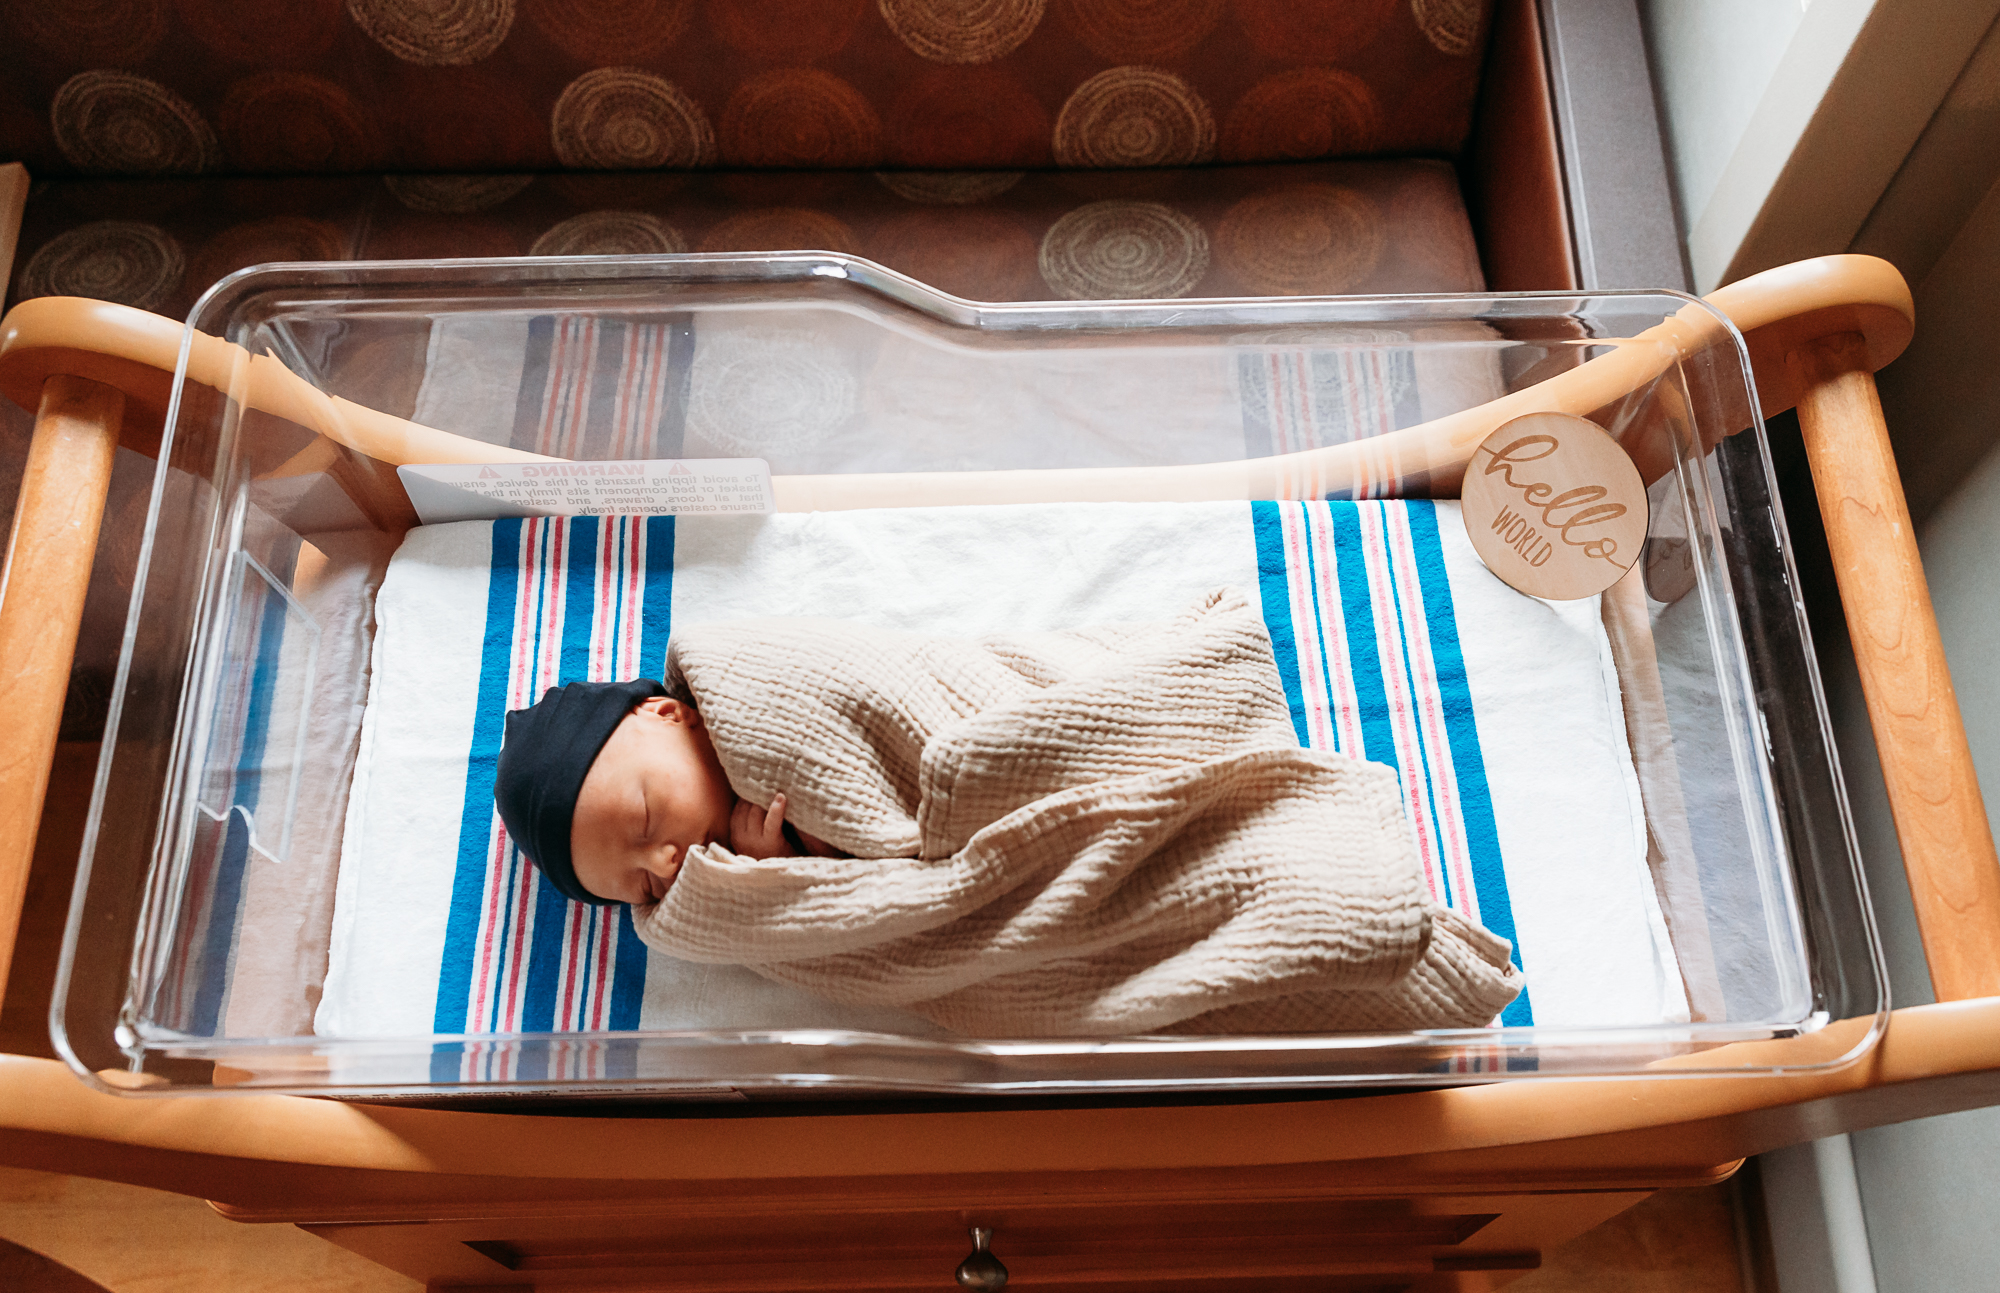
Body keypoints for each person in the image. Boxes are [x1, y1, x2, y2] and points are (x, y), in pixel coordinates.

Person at [492, 678, 837, 908]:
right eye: (647, 887)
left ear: (667, 713)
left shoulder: (748, 691)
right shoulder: (734, 887)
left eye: (646, 818)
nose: (664, 863)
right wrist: (776, 869)